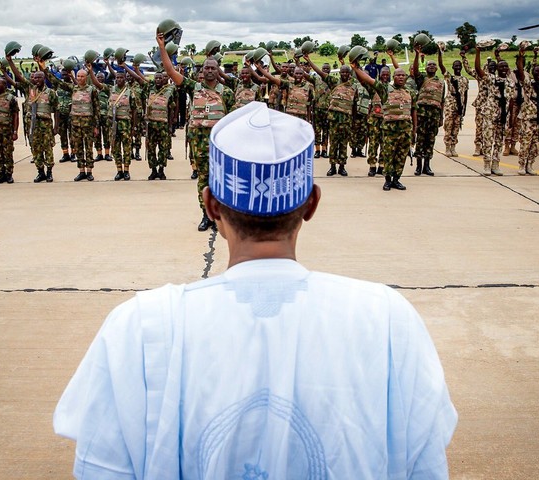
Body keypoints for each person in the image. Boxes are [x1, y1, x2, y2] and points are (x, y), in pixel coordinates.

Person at [53, 101, 457, 479]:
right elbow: (425, 465)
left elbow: (102, 467)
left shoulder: (140, 326)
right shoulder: (386, 318)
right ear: (312, 203)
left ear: (211, 206)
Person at [156, 32, 234, 231]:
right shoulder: (194, 87)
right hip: (199, 144)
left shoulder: (227, 93)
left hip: (219, 146)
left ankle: (218, 216)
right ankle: (206, 215)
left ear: (218, 70)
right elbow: (170, 71)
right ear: (202, 70)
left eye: (213, 68)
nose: (209, 71)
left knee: (219, 181)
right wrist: (162, 48)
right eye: (206, 68)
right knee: (203, 180)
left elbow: (233, 122)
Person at [351, 61, 417, 191]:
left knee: (401, 156)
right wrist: (356, 69)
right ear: (394, 77)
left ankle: (396, 179)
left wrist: (414, 129)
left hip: (405, 130)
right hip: (390, 131)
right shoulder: (385, 90)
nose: (401, 77)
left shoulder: (410, 92)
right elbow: (368, 80)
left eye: (403, 75)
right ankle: (387, 180)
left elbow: (414, 110)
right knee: (388, 155)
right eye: (398, 75)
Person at [6, 56, 59, 183]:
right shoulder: (29, 89)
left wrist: (56, 126)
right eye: (35, 78)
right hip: (32, 125)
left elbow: (57, 109)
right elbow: (18, 76)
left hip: (45, 125)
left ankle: (49, 172)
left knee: (48, 148)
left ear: (44, 78)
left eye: (39, 77)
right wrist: (10, 61)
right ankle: (40, 172)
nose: (36, 80)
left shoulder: (50, 92)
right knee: (35, 149)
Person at [306, 54, 357, 177]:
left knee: (343, 144)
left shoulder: (353, 87)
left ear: (349, 73)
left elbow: (354, 105)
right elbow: (320, 73)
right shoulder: (334, 82)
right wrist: (309, 61)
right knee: (333, 143)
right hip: (334, 120)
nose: (344, 74)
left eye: (347, 72)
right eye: (342, 72)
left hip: (346, 120)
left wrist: (354, 121)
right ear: (339, 73)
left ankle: (342, 167)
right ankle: (332, 166)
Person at [90, 64, 137, 180]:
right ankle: (119, 170)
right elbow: (97, 84)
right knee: (115, 149)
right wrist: (91, 72)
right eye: (117, 78)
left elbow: (134, 110)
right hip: (113, 124)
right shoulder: (110, 90)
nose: (119, 79)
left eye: (121, 78)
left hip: (125, 124)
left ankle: (126, 170)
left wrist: (134, 127)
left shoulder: (130, 92)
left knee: (127, 148)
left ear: (125, 79)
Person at [474, 45, 512, 176]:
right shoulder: (492, 79)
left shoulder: (510, 83)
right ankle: (486, 164)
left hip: (503, 116)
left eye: (505, 66)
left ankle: (496, 164)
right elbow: (478, 70)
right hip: (490, 114)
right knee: (488, 140)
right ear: (497, 69)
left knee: (499, 141)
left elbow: (510, 101)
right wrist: (478, 53)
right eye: (501, 67)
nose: (503, 68)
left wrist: (509, 117)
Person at [516, 45, 539, 175]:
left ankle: (530, 165)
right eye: (537, 71)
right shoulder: (528, 85)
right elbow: (520, 72)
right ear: (533, 72)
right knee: (525, 143)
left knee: (535, 145)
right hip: (528, 120)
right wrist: (521, 55)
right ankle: (522, 165)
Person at [411, 44, 444, 176]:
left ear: (436, 68)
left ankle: (427, 165)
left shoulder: (440, 82)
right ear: (426, 67)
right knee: (420, 139)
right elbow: (415, 70)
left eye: (433, 65)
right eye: (429, 65)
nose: (431, 66)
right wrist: (417, 54)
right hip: (422, 114)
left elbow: (442, 101)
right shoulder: (422, 79)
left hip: (434, 115)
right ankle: (418, 166)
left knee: (430, 140)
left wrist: (441, 118)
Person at [438, 51, 468, 158]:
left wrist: (464, 108)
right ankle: (447, 146)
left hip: (460, 106)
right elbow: (441, 66)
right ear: (453, 67)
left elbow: (465, 94)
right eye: (456, 66)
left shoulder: (465, 79)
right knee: (448, 126)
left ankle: (453, 147)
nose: (458, 67)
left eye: (459, 66)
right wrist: (440, 54)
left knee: (456, 127)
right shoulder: (450, 77)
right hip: (450, 105)